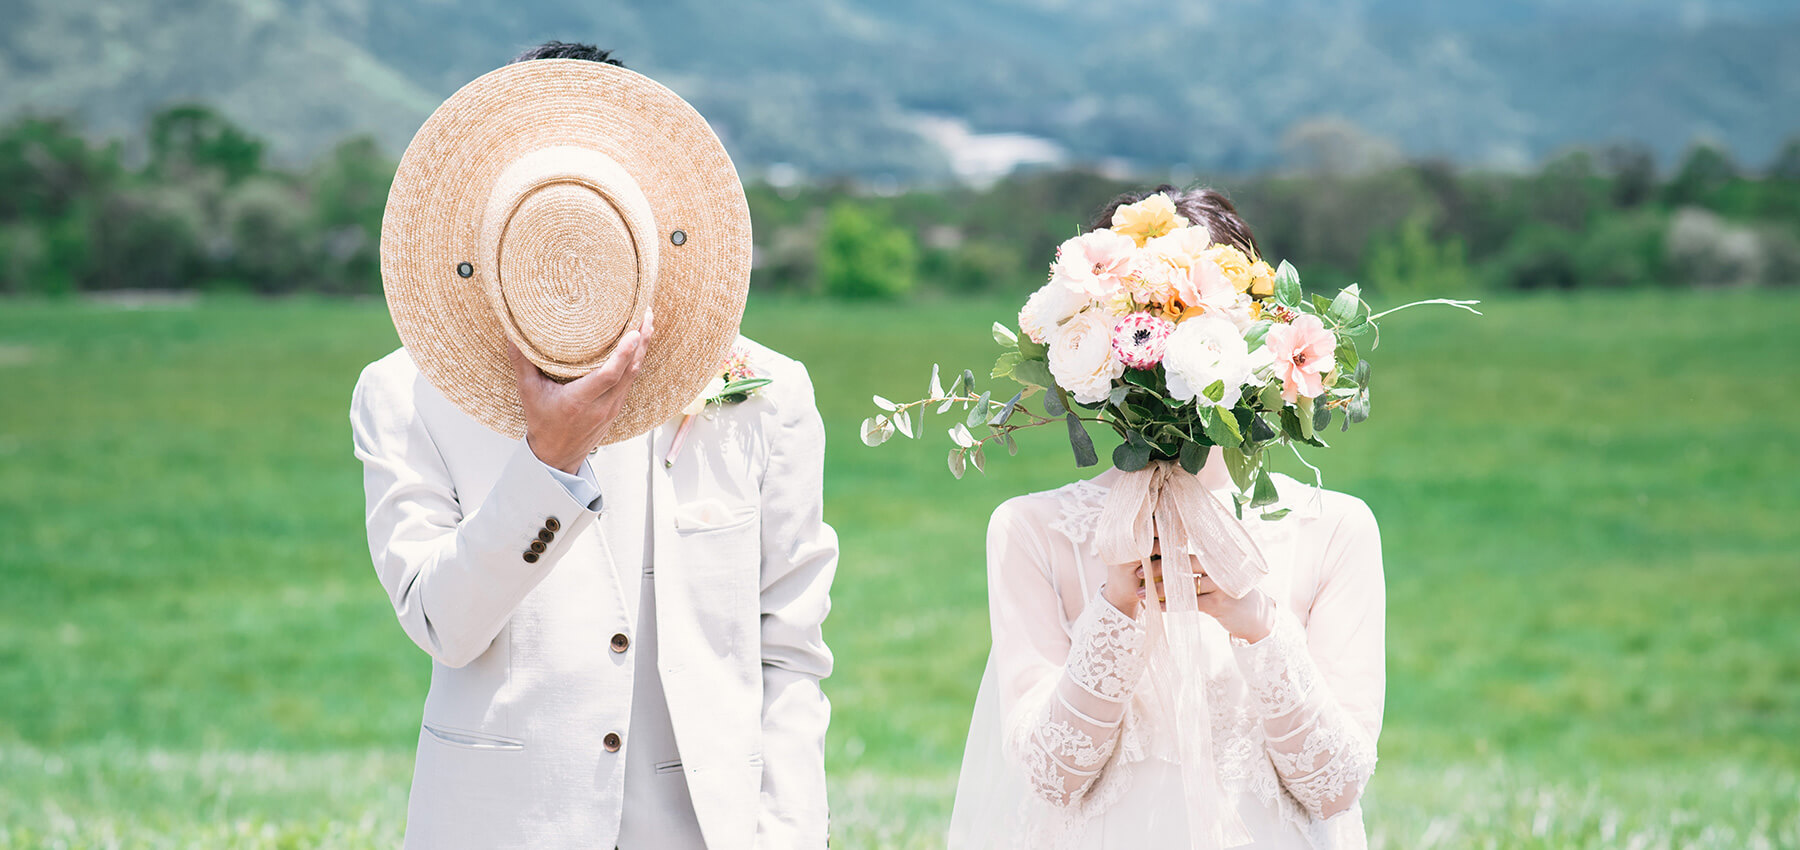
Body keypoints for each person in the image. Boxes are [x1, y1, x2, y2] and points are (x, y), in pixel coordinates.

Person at [350, 42, 836, 850]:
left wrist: (788, 837)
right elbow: (443, 622)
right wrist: (547, 464)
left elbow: (790, 652)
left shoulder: (767, 389)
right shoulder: (402, 394)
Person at [948, 188, 1385, 850]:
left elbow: (1334, 787)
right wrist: (1116, 606)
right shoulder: (1030, 531)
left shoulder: (1334, 528)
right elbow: (1051, 777)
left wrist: (1258, 625)